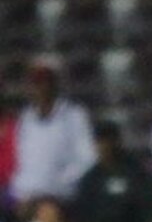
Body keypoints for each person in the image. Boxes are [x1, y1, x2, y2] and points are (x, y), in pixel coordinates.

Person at [10, 59, 96, 210]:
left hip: (61, 197)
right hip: (27, 198)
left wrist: (59, 181)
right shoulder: (25, 119)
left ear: (54, 84)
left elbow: (88, 158)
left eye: (45, 82)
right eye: (36, 83)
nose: (41, 88)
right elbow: (21, 159)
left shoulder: (74, 115)